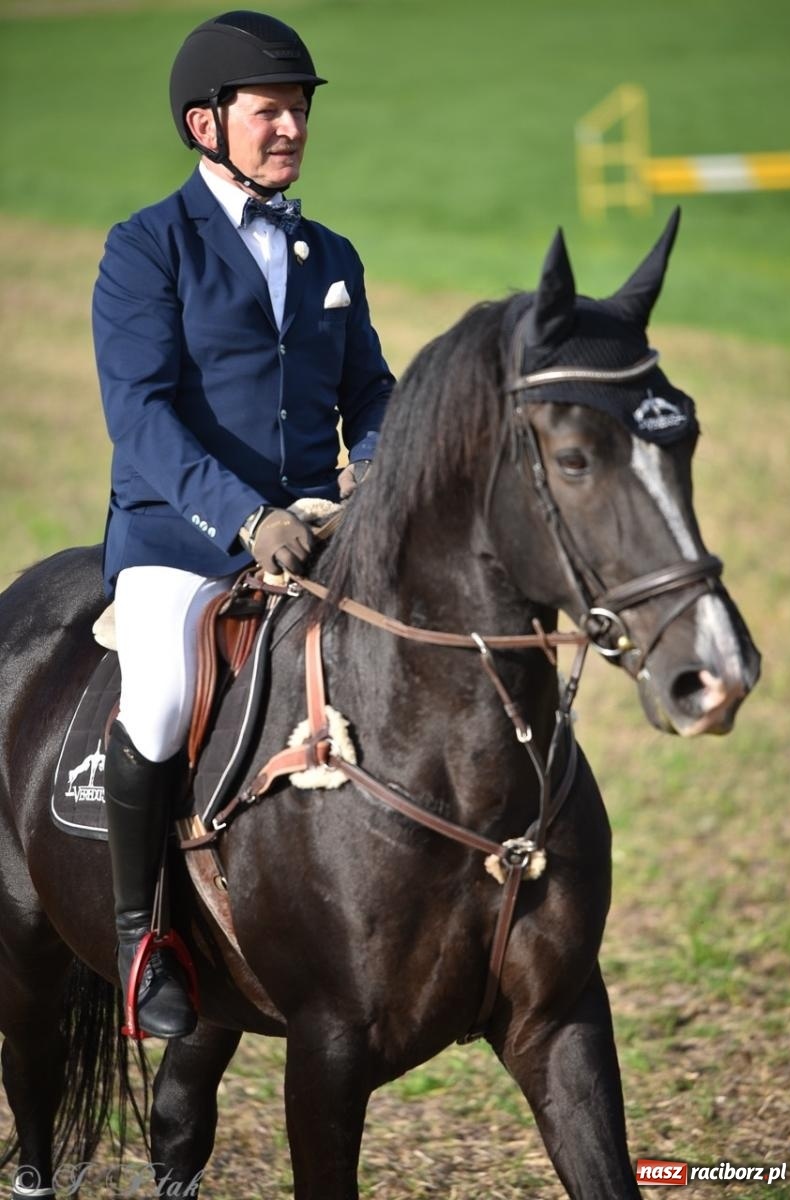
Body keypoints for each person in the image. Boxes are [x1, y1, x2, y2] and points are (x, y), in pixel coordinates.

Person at [92, 9, 394, 1038]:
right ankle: (142, 943)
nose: (292, 127)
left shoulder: (328, 252)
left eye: (300, 109)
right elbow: (140, 416)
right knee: (162, 703)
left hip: (318, 529)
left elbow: (372, 391)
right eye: (271, 110)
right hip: (180, 536)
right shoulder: (147, 247)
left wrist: (377, 465)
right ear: (204, 123)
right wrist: (242, 515)